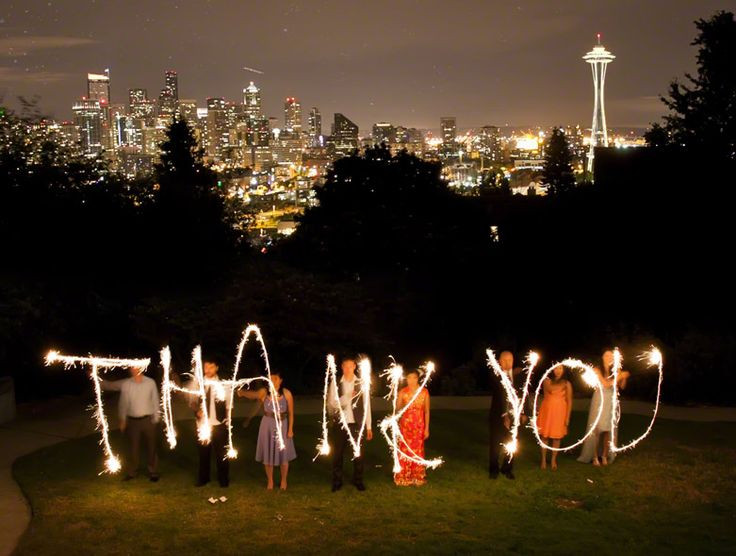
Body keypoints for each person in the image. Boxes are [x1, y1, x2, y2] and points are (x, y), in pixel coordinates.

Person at [237, 371, 296, 490]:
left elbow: (291, 413)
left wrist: (290, 429)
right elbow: (253, 395)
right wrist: (242, 392)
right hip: (267, 425)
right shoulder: (264, 392)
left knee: (283, 455)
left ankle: (284, 480)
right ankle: (270, 481)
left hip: (282, 426)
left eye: (275, 378)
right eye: (270, 379)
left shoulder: (287, 393)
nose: (272, 381)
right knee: (268, 454)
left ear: (280, 380)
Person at [100, 366, 160, 481]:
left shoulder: (150, 382)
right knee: (133, 448)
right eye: (132, 368)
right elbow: (121, 401)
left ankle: (153, 471)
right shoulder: (126, 384)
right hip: (133, 422)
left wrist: (156, 419)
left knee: (151, 446)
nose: (133, 369)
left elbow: (155, 400)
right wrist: (122, 419)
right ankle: (132, 472)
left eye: (136, 367)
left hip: (148, 420)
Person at [327, 355, 373, 492]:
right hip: (340, 424)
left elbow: (367, 406)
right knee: (338, 454)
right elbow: (332, 403)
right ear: (341, 367)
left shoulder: (361, 383)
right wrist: (348, 397)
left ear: (354, 367)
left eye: (350, 366)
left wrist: (369, 426)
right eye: (345, 366)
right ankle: (337, 481)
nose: (348, 369)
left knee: (358, 453)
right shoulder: (335, 383)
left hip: (356, 424)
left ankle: (358, 480)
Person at [578, 350, 630, 466]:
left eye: (611, 355)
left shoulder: (616, 370)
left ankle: (605, 455)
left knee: (607, 430)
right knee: (597, 429)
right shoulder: (597, 370)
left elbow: (622, 386)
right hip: (600, 400)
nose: (609, 357)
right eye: (607, 355)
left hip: (611, 401)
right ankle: (595, 456)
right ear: (602, 357)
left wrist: (623, 377)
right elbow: (606, 384)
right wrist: (619, 376)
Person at [189, 360, 230, 487]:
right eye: (206, 367)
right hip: (203, 425)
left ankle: (223, 480)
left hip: (219, 423)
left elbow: (229, 404)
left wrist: (227, 420)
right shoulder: (198, 384)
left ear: (216, 368)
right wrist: (197, 411)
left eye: (211, 367)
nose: (208, 370)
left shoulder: (223, 384)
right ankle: (203, 478)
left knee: (222, 454)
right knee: (204, 453)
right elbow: (192, 402)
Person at [488, 351, 528, 480]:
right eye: (504, 360)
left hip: (514, 416)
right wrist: (504, 415)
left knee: (512, 443)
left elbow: (524, 393)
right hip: (498, 416)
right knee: (495, 444)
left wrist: (523, 412)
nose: (507, 363)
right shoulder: (496, 374)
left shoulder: (519, 376)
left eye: (510, 360)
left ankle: (507, 468)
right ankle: (493, 469)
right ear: (499, 361)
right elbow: (501, 394)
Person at [393, 368, 431, 486]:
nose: (410, 380)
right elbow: (397, 409)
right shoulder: (403, 391)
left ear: (417, 378)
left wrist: (426, 428)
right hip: (405, 426)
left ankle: (417, 475)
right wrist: (396, 397)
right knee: (405, 449)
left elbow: (427, 411)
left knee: (417, 450)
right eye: (408, 378)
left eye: (413, 378)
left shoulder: (424, 392)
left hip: (419, 425)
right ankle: (404, 475)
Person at [537, 364, 573, 470]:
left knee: (556, 437)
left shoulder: (567, 384)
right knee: (545, 436)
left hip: (560, 413)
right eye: (556, 368)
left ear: (564, 370)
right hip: (547, 412)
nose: (558, 371)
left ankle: (553, 460)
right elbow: (546, 397)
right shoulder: (546, 381)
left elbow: (569, 401)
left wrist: (567, 417)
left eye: (560, 368)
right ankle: (543, 459)